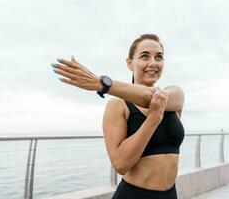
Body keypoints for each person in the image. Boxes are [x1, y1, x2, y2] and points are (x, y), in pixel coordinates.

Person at [51, 34, 185, 199]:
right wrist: (152, 120)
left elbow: (150, 97)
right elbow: (120, 165)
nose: (153, 63)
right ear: (130, 63)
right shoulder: (118, 105)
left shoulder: (174, 94)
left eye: (159, 57)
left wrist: (103, 84)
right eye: (144, 56)